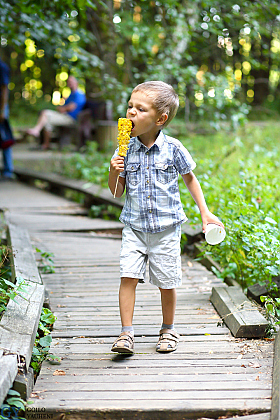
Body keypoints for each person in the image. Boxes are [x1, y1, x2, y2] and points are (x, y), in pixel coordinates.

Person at [108, 80, 224, 354]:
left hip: (166, 229)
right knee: (128, 277)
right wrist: (114, 170)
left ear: (160, 119)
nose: (131, 113)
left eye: (140, 109)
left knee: (167, 281)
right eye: (129, 107)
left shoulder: (173, 148)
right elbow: (116, 191)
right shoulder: (124, 149)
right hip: (134, 228)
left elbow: (190, 179)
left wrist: (204, 212)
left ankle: (168, 329)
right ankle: (126, 334)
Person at [27, 76, 86, 150]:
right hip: (64, 116)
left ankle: (37, 130)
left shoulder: (79, 94)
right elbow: (60, 107)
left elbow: (70, 107)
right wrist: (63, 107)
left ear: (76, 83)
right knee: (47, 122)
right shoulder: (71, 95)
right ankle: (46, 145)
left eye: (71, 82)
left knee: (45, 113)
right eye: (68, 82)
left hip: (71, 119)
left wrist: (63, 108)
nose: (69, 84)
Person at [0, 57, 15, 180]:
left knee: (5, 138)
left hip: (1, 107)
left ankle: (8, 170)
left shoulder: (2, 67)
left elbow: (5, 88)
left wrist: (2, 110)